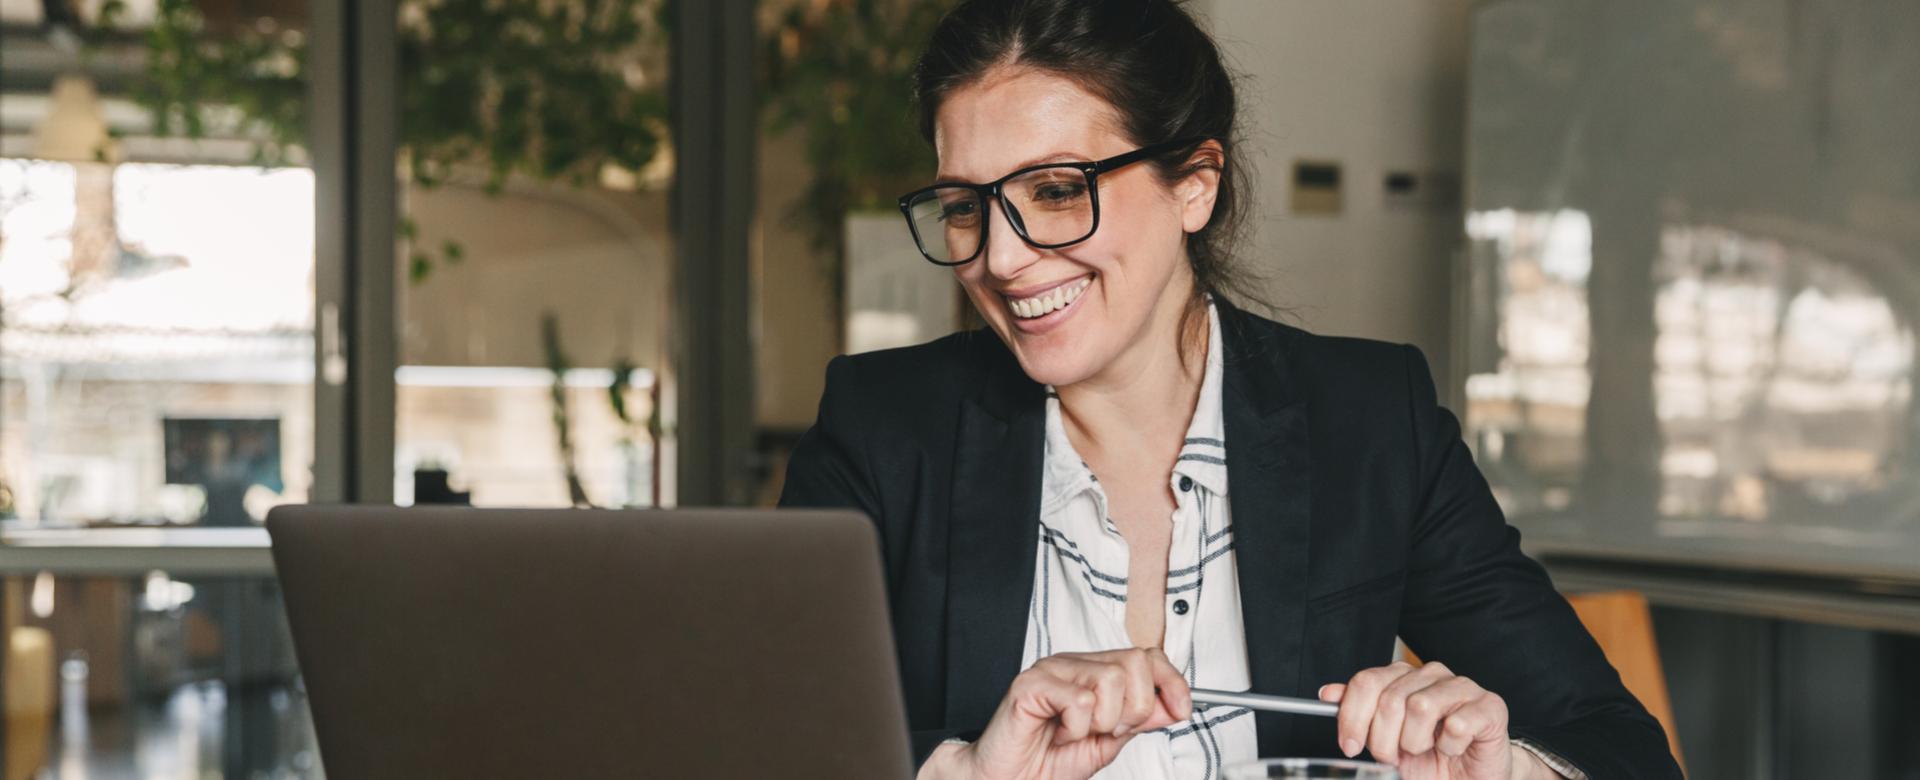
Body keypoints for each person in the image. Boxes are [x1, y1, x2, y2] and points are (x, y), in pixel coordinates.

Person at [780, 1, 1682, 778]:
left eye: (1056, 191)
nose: (1003, 259)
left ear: (1196, 186)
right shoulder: (884, 429)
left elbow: (1620, 748)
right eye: (967, 207)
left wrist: (1507, 766)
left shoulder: (1369, 422)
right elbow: (754, 744)